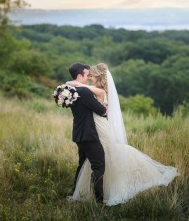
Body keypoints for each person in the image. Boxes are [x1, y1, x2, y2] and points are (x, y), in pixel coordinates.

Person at [67, 63, 179, 206]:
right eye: (88, 75)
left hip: (98, 127)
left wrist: (75, 84)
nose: (89, 78)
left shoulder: (96, 91)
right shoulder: (93, 90)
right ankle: (96, 192)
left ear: (98, 77)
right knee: (98, 161)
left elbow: (102, 109)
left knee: (104, 159)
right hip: (94, 129)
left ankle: (104, 194)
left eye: (91, 76)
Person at [67, 62, 107, 203]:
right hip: (89, 134)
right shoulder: (83, 92)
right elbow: (102, 111)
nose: (89, 76)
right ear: (79, 76)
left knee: (83, 164)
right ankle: (99, 199)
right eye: (87, 74)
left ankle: (76, 192)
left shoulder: (70, 90)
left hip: (79, 133)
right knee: (98, 165)